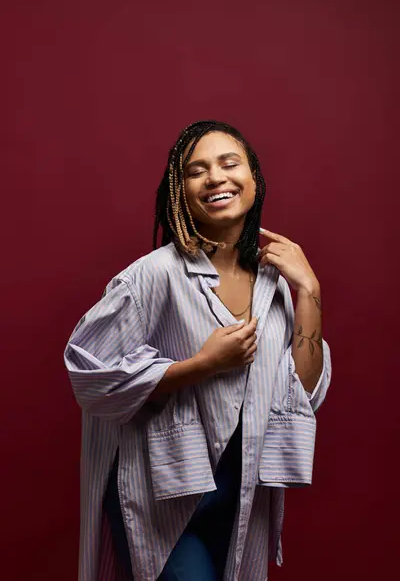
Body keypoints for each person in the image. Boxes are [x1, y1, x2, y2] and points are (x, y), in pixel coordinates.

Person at [64, 120, 332, 581]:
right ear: (179, 192)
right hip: (160, 494)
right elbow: (88, 375)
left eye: (230, 163)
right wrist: (201, 366)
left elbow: (301, 395)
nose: (216, 178)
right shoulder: (153, 275)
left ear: (254, 179)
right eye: (196, 171)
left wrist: (309, 289)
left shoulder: (274, 284)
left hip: (241, 491)